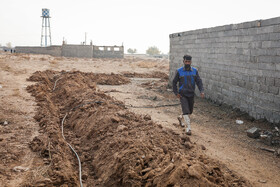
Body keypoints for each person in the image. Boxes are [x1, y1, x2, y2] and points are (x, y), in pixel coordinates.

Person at [172, 55, 204, 135]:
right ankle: (188, 128)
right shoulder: (179, 71)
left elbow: (199, 82)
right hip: (182, 94)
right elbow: (174, 82)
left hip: (191, 94)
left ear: (191, 62)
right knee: (186, 111)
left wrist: (201, 91)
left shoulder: (194, 71)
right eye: (186, 61)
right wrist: (176, 93)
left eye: (189, 62)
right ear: (183, 61)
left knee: (190, 111)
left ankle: (180, 118)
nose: (187, 63)